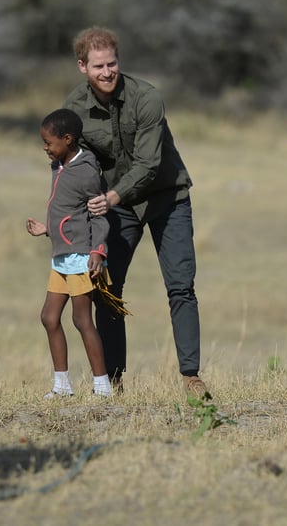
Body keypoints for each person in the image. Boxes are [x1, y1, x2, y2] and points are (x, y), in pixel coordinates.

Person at [63, 26, 206, 397]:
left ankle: (191, 377)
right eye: (98, 66)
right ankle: (112, 381)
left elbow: (148, 164)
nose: (107, 72)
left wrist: (110, 197)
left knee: (181, 286)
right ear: (82, 67)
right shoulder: (73, 109)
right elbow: (70, 164)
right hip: (117, 205)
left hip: (166, 197)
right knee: (107, 287)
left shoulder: (147, 98)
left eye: (112, 63)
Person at [26, 108, 113, 399]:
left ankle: (102, 386)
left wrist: (98, 252)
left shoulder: (86, 171)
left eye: (49, 142)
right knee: (49, 318)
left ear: (68, 139)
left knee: (81, 320)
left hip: (79, 257)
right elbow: (67, 213)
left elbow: (98, 216)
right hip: (61, 255)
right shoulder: (58, 166)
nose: (45, 148)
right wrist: (46, 228)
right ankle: (62, 386)